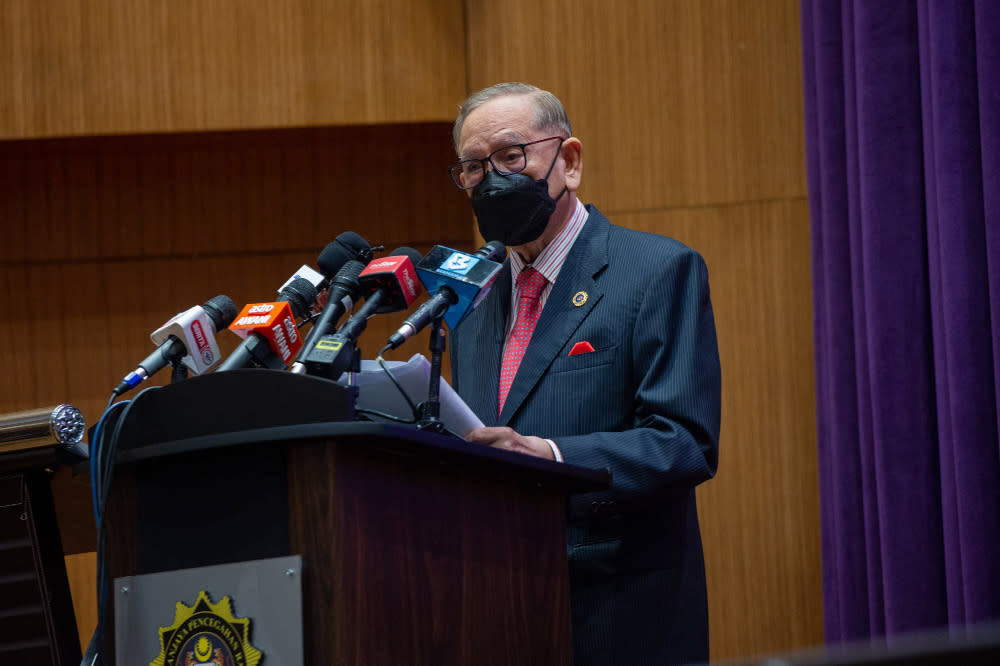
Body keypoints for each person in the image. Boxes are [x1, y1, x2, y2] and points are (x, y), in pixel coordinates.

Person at [447, 82, 721, 665]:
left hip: (619, 613)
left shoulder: (656, 271)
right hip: (500, 610)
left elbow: (684, 444)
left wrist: (551, 457)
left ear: (568, 161)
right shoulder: (472, 297)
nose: (491, 180)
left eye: (510, 157)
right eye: (473, 167)